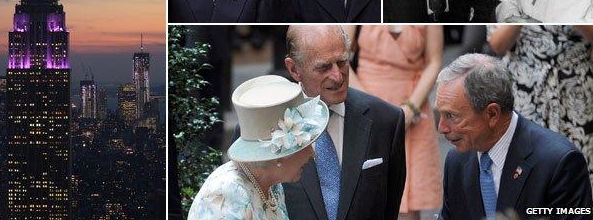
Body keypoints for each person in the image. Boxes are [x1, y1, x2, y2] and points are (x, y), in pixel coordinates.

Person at [436, 53, 593, 220]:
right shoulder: (457, 161)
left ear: (492, 114)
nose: (441, 128)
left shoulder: (559, 163)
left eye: (451, 116)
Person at [282, 25, 406, 220]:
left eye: (342, 62)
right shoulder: (266, 126)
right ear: (294, 69)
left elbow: (389, 208)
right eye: (323, 67)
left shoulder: (386, 120)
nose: (338, 76)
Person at [188, 75, 329, 219]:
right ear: (279, 156)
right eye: (305, 145)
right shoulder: (228, 193)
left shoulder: (272, 185)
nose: (313, 154)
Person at [487, 25, 593, 206]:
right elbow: (497, 44)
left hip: (575, 89)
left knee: (579, 167)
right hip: (525, 90)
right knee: (524, 170)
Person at [347, 25, 443, 219]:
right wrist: (367, 106)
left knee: (410, 205)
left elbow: (434, 61)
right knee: (364, 194)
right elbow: (340, 56)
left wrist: (410, 109)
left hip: (412, 105)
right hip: (366, 104)